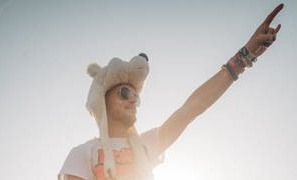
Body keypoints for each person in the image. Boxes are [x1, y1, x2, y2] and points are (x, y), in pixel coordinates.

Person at [58, 4, 284, 180]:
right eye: (124, 94)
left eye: (136, 95)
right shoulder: (83, 153)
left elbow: (191, 108)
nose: (133, 100)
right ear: (103, 102)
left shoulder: (147, 145)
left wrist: (244, 57)